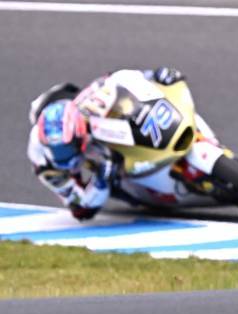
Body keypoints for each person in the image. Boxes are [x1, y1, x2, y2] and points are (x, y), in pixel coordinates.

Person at [27, 67, 188, 220]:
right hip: (111, 176)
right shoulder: (46, 166)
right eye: (60, 150)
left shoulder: (84, 109)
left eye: (68, 147)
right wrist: (101, 180)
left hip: (99, 136)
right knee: (125, 184)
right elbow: (80, 209)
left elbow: (120, 79)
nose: (66, 154)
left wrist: (155, 76)